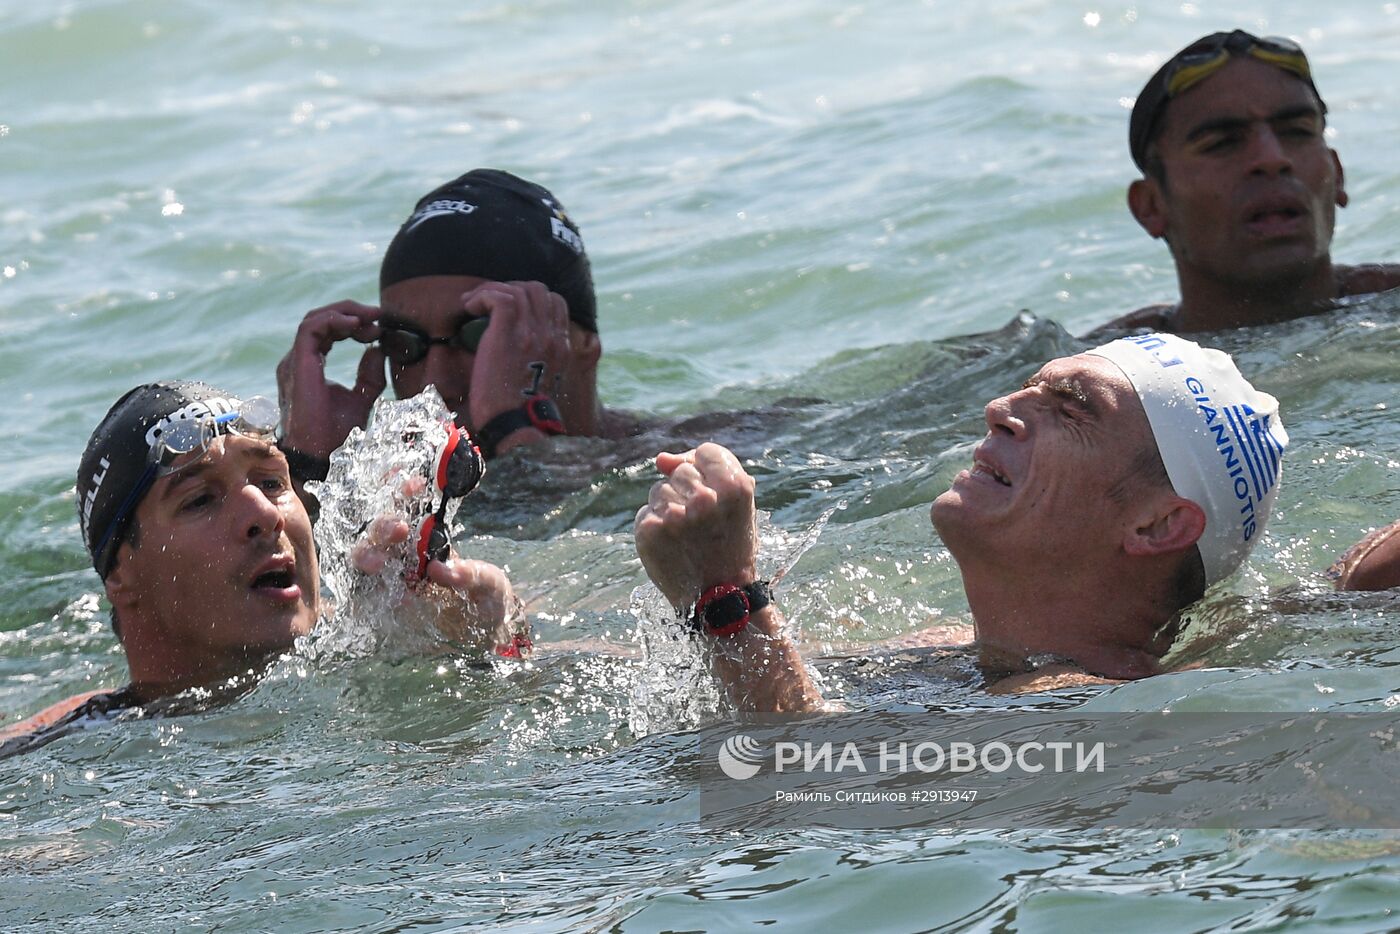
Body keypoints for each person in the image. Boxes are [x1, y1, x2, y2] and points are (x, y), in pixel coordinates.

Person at [634, 333, 1289, 710]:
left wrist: (726, 594)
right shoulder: (957, 654)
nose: (999, 406)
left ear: (1157, 525)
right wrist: (526, 653)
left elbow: (814, 793)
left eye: (1071, 408)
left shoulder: (1093, 708)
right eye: (1028, 387)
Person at [1, 381, 517, 755]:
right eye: (200, 499)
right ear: (122, 575)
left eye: (272, 482)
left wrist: (484, 649)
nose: (265, 515)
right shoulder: (64, 752)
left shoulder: (385, 645)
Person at [277, 168, 639, 487]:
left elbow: (551, 528)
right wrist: (310, 465)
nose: (435, 384)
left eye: (481, 336)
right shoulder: (394, 488)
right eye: (406, 344)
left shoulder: (671, 469)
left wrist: (514, 425)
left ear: (583, 345)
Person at [1092, 30, 1400, 335]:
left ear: (1337, 174)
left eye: (1296, 131)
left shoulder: (1389, 305)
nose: (1272, 159)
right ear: (1150, 206)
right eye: (1222, 143)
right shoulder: (1100, 370)